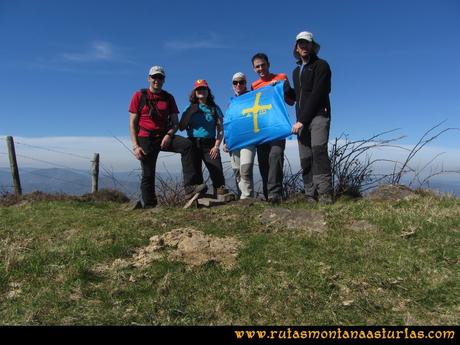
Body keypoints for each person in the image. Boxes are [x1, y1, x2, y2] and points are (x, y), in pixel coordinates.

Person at [128, 66, 205, 208]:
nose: (157, 80)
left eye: (160, 77)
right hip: (145, 138)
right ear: (149, 78)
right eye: (154, 77)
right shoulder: (139, 96)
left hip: (164, 136)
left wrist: (169, 135)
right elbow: (132, 123)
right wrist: (135, 146)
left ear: (164, 80)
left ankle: (190, 187)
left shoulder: (168, 98)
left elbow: (175, 123)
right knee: (148, 173)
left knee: (187, 146)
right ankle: (150, 206)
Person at [291, 31, 333, 204]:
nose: (303, 46)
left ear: (312, 46)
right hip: (302, 120)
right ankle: (310, 194)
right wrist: (283, 90)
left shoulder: (321, 65)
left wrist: (302, 120)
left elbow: (318, 93)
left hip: (318, 115)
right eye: (300, 43)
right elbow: (298, 96)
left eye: (306, 43)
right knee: (306, 157)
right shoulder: (296, 71)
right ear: (296, 48)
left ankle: (324, 194)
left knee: (319, 152)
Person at [250, 53, 295, 204]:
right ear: (253, 68)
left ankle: (275, 194)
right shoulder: (254, 86)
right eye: (257, 66)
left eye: (263, 65)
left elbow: (291, 102)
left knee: (275, 156)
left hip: (277, 126)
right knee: (263, 161)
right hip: (261, 129)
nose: (261, 68)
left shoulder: (281, 77)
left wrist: (286, 89)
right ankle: (267, 194)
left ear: (268, 64)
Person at [179, 79, 226, 196]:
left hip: (210, 144)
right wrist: (190, 112)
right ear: (195, 92)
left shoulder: (214, 108)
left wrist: (216, 146)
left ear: (208, 91)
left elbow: (220, 129)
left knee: (217, 170)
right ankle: (198, 198)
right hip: (192, 143)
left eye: (204, 88)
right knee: (195, 172)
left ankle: (219, 191)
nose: (201, 91)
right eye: (198, 89)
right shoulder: (189, 108)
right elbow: (182, 127)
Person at [225, 72, 256, 200]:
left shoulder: (252, 97)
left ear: (245, 83)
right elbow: (228, 123)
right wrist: (226, 141)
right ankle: (242, 196)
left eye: (241, 82)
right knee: (237, 171)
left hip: (248, 139)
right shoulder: (231, 103)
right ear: (232, 85)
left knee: (246, 169)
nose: (238, 84)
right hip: (234, 141)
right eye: (235, 82)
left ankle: (247, 198)